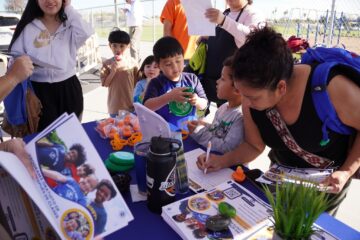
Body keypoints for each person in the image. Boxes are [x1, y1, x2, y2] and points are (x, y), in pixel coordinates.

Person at [196, 27, 360, 215]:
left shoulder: (331, 88)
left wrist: (346, 171)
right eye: (242, 94)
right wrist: (221, 161)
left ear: (281, 87)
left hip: (327, 185)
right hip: (281, 179)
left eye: (252, 97)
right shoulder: (253, 94)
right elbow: (253, 145)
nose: (246, 103)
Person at [9, 0, 94, 131]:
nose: (49, 1)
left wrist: (68, 8)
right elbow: (15, 56)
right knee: (45, 139)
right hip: (39, 91)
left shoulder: (70, 24)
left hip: (69, 88)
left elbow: (86, 32)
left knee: (72, 133)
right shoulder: (28, 27)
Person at [202, 0, 264, 106]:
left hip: (233, 85)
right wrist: (206, 37)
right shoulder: (225, 13)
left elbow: (253, 40)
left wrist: (224, 21)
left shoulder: (253, 14)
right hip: (214, 81)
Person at [143, 37, 208, 128]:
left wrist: (197, 101)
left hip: (189, 130)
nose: (175, 67)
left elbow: (204, 104)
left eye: (178, 61)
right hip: (165, 132)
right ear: (159, 65)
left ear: (183, 57)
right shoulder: (156, 83)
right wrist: (169, 96)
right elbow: (147, 107)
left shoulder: (192, 79)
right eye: (168, 64)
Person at [187, 57, 244, 153]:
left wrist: (199, 132)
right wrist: (202, 125)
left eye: (222, 78)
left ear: (237, 89)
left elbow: (227, 148)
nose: (217, 82)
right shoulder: (223, 107)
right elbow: (216, 130)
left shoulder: (240, 117)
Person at [100, 29, 138, 116]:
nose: (118, 49)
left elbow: (137, 83)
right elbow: (105, 84)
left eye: (122, 46)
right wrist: (112, 71)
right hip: (115, 107)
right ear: (110, 45)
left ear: (128, 46)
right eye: (114, 46)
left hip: (131, 105)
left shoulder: (132, 62)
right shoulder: (107, 64)